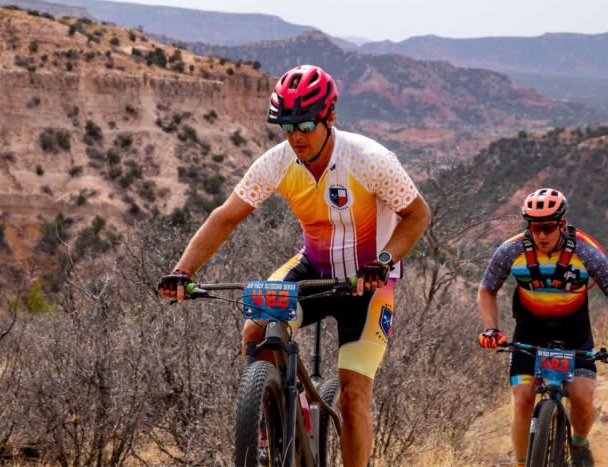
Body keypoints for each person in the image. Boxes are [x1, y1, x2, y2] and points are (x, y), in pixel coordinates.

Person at [158, 64, 431, 466]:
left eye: (304, 124)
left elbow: (418, 215)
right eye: (285, 126)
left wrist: (384, 260)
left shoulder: (369, 159)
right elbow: (226, 216)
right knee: (256, 328)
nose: (295, 136)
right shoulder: (278, 162)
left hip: (368, 284)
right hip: (314, 270)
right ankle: (280, 414)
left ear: (330, 117)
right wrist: (183, 271)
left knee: (354, 395)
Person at [476, 187, 608, 467]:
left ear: (562, 224)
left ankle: (578, 442)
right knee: (523, 401)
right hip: (529, 329)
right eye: (535, 228)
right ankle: (521, 462)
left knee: (582, 398)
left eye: (548, 228)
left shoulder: (587, 254)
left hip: (574, 331)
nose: (540, 235)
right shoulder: (511, 250)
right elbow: (486, 290)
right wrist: (491, 329)